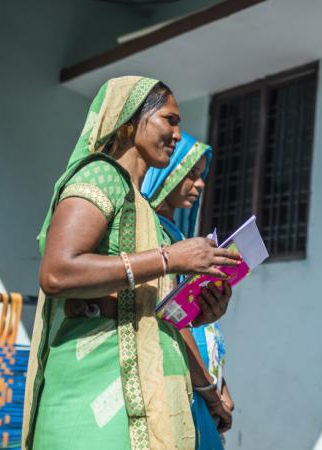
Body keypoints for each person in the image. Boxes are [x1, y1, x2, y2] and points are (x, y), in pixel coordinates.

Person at [22, 76, 239, 450]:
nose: (176, 133)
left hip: (140, 395)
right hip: (94, 394)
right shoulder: (101, 176)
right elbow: (58, 272)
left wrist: (198, 312)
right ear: (128, 123)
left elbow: (139, 303)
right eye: (169, 120)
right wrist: (171, 258)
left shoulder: (146, 214)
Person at [142, 132, 232, 450]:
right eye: (191, 174)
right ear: (166, 173)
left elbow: (188, 317)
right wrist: (210, 392)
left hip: (198, 379)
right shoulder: (149, 233)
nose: (200, 184)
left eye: (202, 175)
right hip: (178, 379)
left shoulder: (178, 235)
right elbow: (170, 318)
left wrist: (219, 386)